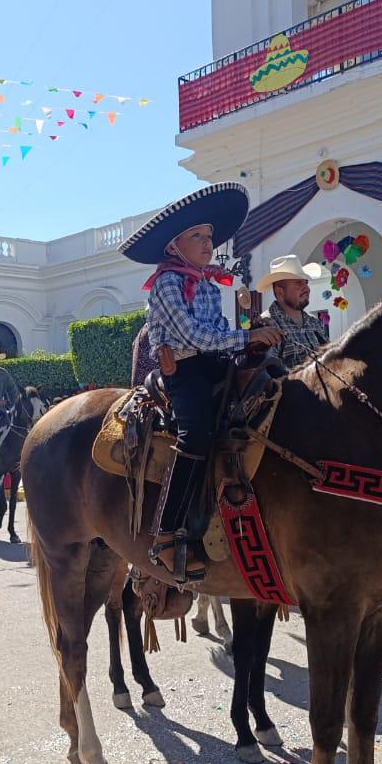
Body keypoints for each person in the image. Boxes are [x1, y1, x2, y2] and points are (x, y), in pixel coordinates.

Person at [119, 182, 281, 580]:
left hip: (215, 363)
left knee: (274, 385)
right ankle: (168, 532)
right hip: (185, 370)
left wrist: (252, 338)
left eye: (209, 236)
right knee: (197, 434)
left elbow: (220, 331)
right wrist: (246, 337)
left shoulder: (208, 283)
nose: (208, 243)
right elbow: (194, 337)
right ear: (175, 246)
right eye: (198, 236)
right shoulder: (167, 283)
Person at [256, 254, 328, 369]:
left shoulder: (314, 322)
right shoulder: (266, 325)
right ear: (280, 292)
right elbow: (269, 375)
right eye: (298, 283)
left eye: (306, 282)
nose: (307, 288)